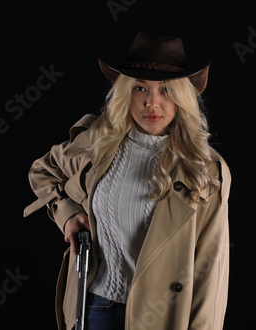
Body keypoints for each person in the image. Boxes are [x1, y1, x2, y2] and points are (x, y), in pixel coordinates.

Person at [24, 32, 231, 330]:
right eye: (140, 88)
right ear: (125, 92)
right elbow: (43, 171)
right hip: (94, 308)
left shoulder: (204, 170)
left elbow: (210, 273)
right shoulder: (96, 144)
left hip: (160, 319)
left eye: (166, 90)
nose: (152, 102)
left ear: (182, 98)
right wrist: (68, 215)